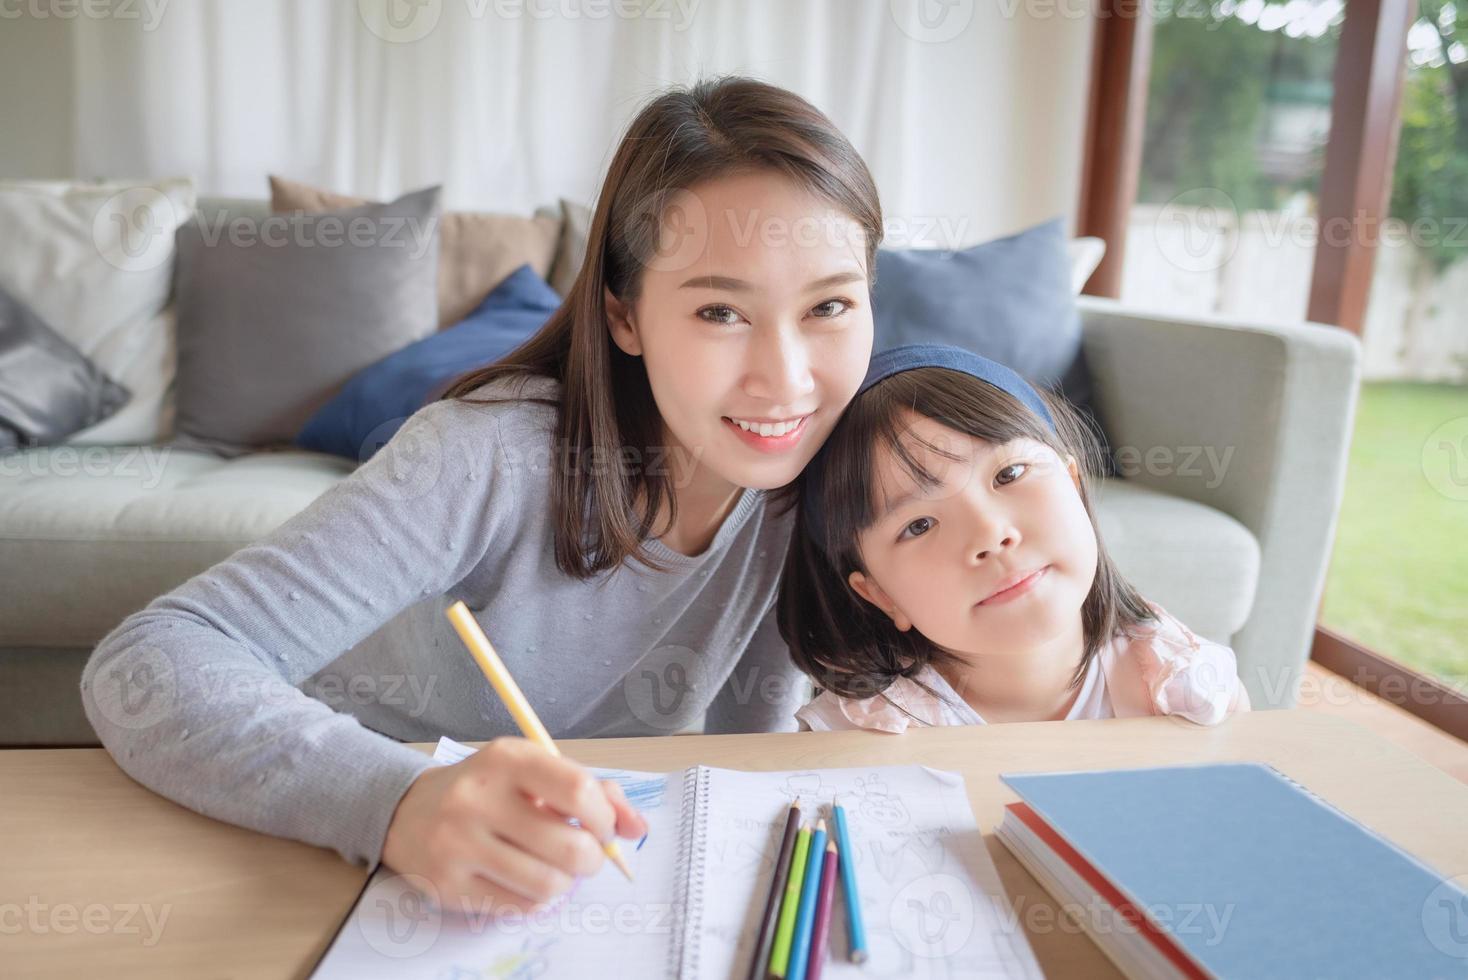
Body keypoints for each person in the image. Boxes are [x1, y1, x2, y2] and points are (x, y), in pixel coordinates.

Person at [81, 75, 881, 913]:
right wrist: (396, 802)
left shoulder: (819, 466)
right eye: (721, 311)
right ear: (625, 318)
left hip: (562, 861)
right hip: (331, 832)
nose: (786, 381)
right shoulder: (484, 456)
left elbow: (749, 745)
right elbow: (148, 660)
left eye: (829, 304)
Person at [777, 344, 1251, 733]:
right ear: (879, 594)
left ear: (1074, 482)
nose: (990, 534)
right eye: (918, 525)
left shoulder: (1185, 686)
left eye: (1010, 473)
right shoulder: (862, 731)